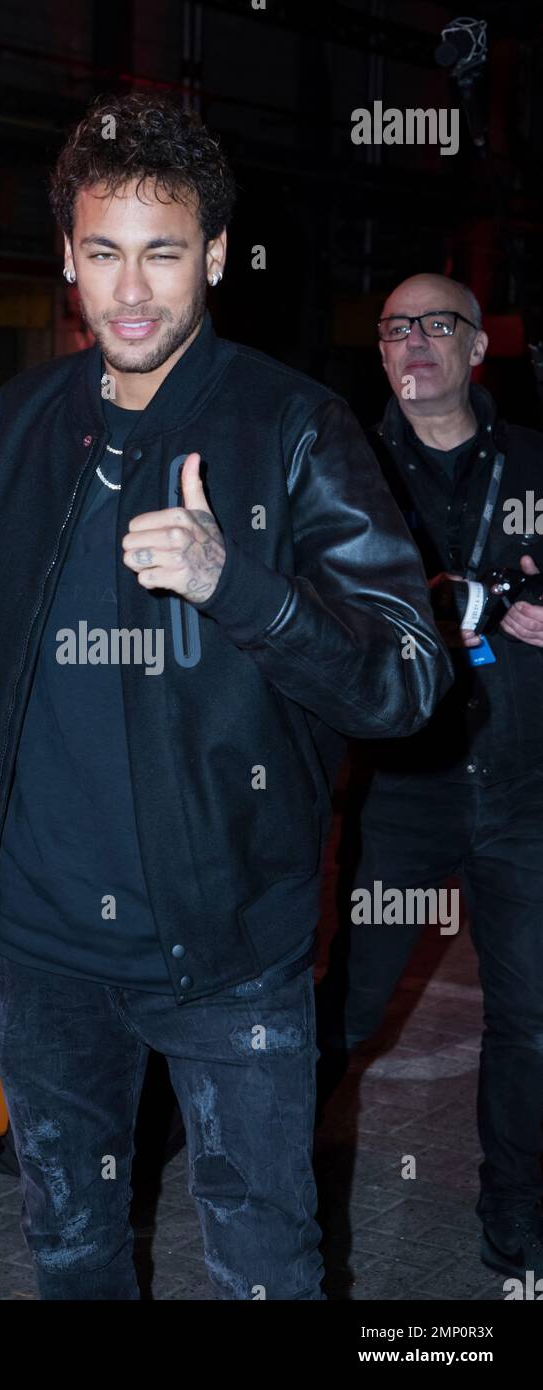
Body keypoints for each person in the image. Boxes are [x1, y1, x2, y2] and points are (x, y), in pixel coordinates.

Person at [0, 95, 450, 1301]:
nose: (131, 289)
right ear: (67, 259)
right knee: (72, 1254)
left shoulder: (290, 429)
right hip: (40, 952)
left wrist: (235, 586)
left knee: (263, 1268)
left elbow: (405, 680)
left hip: (224, 957)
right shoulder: (22, 418)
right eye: (103, 252)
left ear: (210, 256)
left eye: (161, 251)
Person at [316, 273, 543, 1282]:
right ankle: (278, 1202)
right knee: (347, 1012)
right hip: (400, 789)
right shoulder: (340, 472)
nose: (411, 342)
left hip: (521, 790)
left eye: (434, 324)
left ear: (474, 348)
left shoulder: (536, 467)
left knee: (531, 1021)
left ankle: (514, 1220)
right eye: (393, 327)